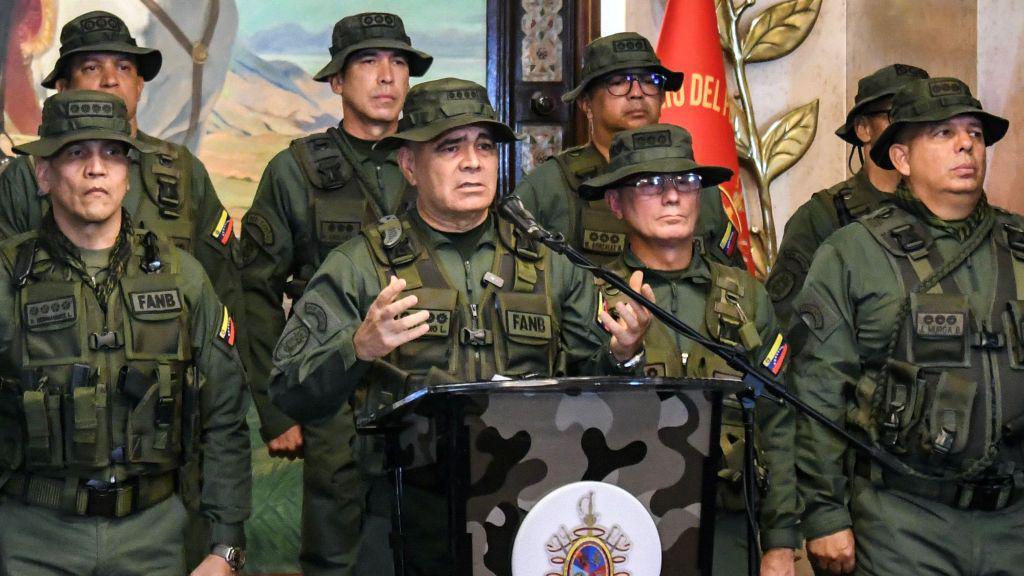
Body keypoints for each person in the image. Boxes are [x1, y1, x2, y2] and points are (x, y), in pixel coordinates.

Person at [268, 77, 652, 575]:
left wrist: (624, 355)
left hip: (528, 517)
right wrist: (357, 348)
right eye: (450, 148)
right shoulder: (360, 265)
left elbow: (596, 388)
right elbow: (289, 390)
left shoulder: (550, 262)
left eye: (485, 147)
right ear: (410, 165)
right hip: (404, 519)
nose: (473, 162)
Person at [0, 90, 250, 576]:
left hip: (155, 535)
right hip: (31, 536)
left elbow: (225, 418)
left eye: (112, 153)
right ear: (43, 173)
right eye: (76, 152)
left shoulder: (184, 278)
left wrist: (226, 546)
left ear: (128, 173)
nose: (97, 169)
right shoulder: (7, 276)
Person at [790, 77, 1023, 575]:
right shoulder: (852, 253)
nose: (966, 144)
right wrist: (824, 514)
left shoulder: (1019, 245)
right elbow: (818, 392)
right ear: (900, 158)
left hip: (1015, 521)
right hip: (903, 521)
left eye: (976, 134)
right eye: (943, 133)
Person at [238, 12, 433, 575]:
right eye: (368, 62)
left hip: (430, 382)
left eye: (398, 62)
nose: (387, 76)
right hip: (335, 394)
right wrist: (279, 410)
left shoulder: (436, 162)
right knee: (336, 555)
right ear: (337, 81)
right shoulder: (295, 171)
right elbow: (255, 292)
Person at [578, 123, 799, 576]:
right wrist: (620, 357)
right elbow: (564, 412)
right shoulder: (588, 293)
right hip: (622, 530)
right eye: (651, 183)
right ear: (616, 203)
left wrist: (780, 543)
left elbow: (778, 420)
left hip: (730, 529)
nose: (673, 196)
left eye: (686, 181)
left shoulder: (746, 294)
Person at [0, 10, 241, 314]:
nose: (111, 79)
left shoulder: (182, 170)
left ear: (140, 85)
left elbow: (225, 289)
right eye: (91, 67)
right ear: (62, 89)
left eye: (124, 67)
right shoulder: (30, 174)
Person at [514, 32, 745, 269]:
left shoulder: (696, 186)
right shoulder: (550, 186)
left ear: (663, 97)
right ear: (586, 104)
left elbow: (732, 282)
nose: (637, 92)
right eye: (618, 82)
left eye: (650, 81)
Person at [767, 64, 929, 325]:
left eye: (923, 118)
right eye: (896, 115)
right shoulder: (822, 216)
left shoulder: (946, 209)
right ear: (863, 129)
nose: (911, 128)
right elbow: (788, 320)